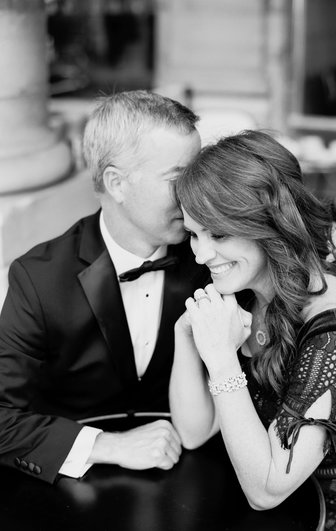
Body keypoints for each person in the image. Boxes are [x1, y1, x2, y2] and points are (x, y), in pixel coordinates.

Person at [169, 130, 336, 529]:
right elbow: (195, 432)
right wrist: (186, 335)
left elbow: (266, 490)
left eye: (218, 234)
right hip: (293, 507)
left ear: (269, 224)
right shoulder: (244, 288)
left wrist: (223, 361)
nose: (202, 253)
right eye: (194, 233)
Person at [0, 90, 207, 484]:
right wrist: (108, 446)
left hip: (199, 474)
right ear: (116, 184)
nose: (198, 195)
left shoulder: (213, 260)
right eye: (180, 179)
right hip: (74, 489)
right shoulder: (40, 278)